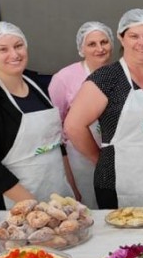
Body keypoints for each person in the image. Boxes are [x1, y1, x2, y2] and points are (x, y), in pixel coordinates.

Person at [64, 9, 143, 210]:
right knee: (123, 239)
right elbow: (73, 126)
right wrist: (101, 159)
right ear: (121, 38)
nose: (142, 43)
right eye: (134, 36)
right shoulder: (106, 78)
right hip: (117, 183)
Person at [0, 21, 74, 210]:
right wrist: (33, 206)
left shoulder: (37, 86)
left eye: (18, 46)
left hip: (57, 193)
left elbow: (56, 144)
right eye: (3, 49)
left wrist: (72, 189)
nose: (14, 54)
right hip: (15, 203)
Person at [48, 21, 114, 208]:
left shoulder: (118, 74)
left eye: (104, 42)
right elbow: (55, 127)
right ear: (81, 49)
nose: (100, 49)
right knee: (88, 209)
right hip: (80, 160)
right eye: (92, 44)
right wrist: (68, 173)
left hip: (114, 155)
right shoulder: (64, 78)